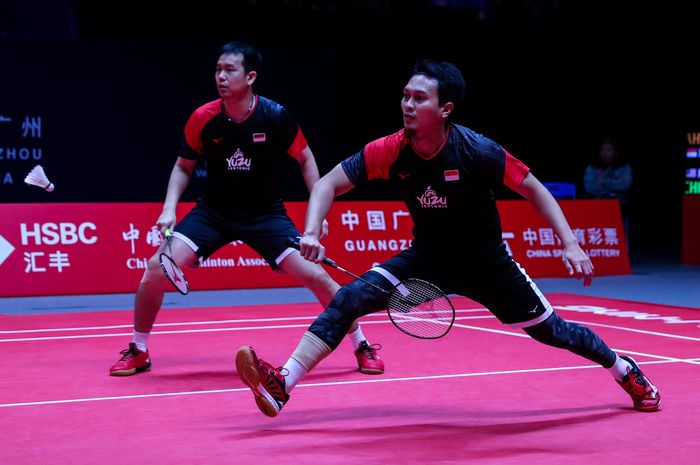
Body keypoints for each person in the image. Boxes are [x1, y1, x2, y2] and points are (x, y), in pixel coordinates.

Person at [235, 59, 660, 417]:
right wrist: (312, 229)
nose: (408, 104)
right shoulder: (392, 148)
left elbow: (533, 187)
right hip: (428, 260)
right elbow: (328, 183)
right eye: (405, 95)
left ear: (445, 109)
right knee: (350, 299)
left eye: (420, 98)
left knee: (554, 332)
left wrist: (569, 242)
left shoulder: (475, 150)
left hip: (488, 264)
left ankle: (622, 367)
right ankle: (282, 384)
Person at [109, 41, 384, 377]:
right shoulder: (203, 118)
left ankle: (361, 344)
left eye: (229, 70)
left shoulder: (275, 116)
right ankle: (138, 349)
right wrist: (169, 208)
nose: (221, 76)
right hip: (213, 212)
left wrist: (318, 214)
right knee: (155, 269)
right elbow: (184, 166)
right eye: (218, 69)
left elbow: (305, 157)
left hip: (265, 215)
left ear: (250, 76)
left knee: (317, 276)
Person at [583, 136, 633, 239]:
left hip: (619, 205)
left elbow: (625, 185)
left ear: (615, 151)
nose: (606, 153)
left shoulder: (624, 167)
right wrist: (615, 183)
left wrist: (602, 182)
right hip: (596, 202)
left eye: (609, 149)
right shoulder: (592, 168)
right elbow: (589, 188)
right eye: (603, 150)